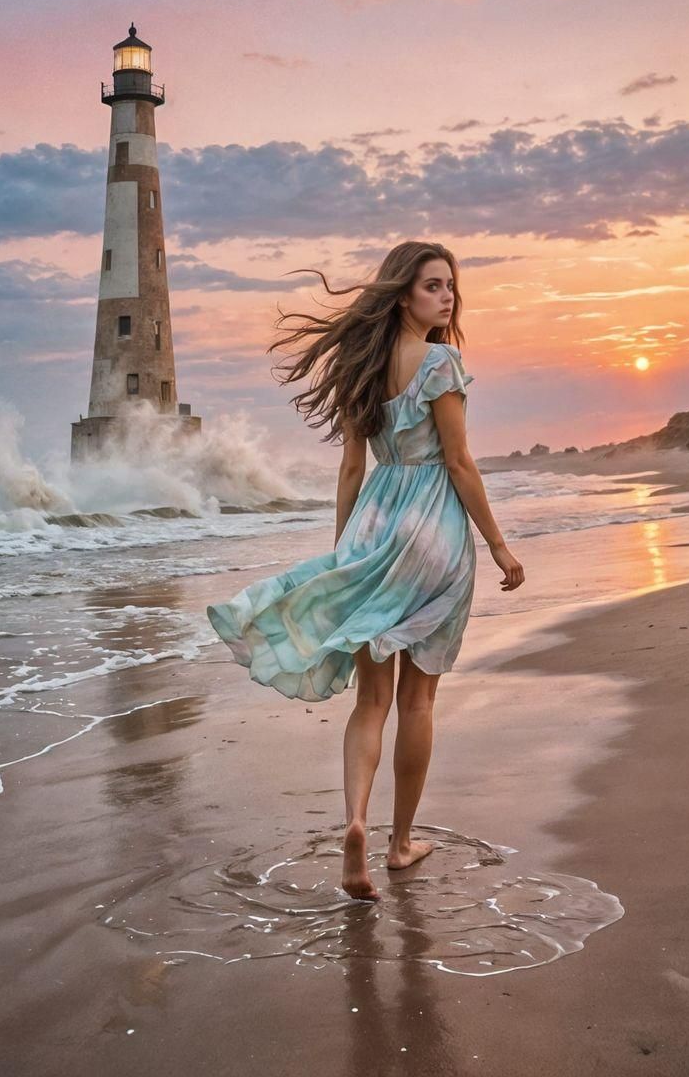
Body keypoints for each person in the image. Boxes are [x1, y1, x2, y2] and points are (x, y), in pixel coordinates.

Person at [206, 240, 524, 902]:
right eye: (435, 286)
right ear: (403, 293)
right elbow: (460, 464)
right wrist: (498, 545)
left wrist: (344, 551)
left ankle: (354, 820)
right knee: (418, 700)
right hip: (434, 528)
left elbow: (352, 468)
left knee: (371, 702)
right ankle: (399, 843)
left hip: (375, 525)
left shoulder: (362, 366)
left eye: (451, 287)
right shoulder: (441, 362)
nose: (448, 297)